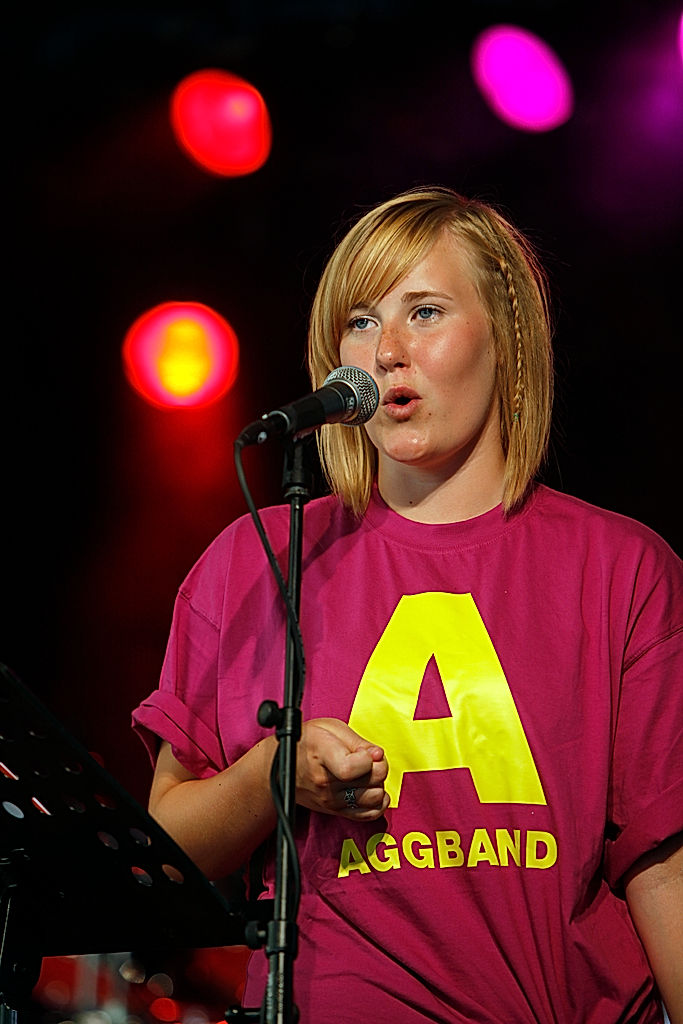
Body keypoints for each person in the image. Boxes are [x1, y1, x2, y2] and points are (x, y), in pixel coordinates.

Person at [132, 187, 682, 1023]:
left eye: (423, 312)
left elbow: (664, 869)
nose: (384, 351)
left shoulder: (621, 568)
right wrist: (272, 777)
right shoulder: (255, 558)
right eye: (358, 321)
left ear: (508, 339)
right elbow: (166, 850)